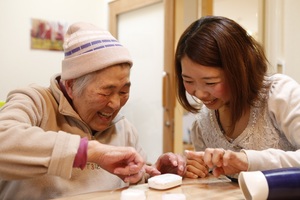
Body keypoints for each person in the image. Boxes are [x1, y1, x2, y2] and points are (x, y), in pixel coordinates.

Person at [0, 22, 185, 199]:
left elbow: (136, 181)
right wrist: (89, 151)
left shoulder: (123, 128)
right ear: (71, 86)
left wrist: (155, 177)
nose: (115, 104)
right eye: (106, 92)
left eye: (123, 91)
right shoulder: (35, 102)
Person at [174, 15, 300, 179]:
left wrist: (247, 161)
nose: (199, 94)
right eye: (188, 81)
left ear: (239, 71)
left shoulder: (279, 94)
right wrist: (197, 169)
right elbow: (214, 181)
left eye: (210, 83)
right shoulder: (203, 122)